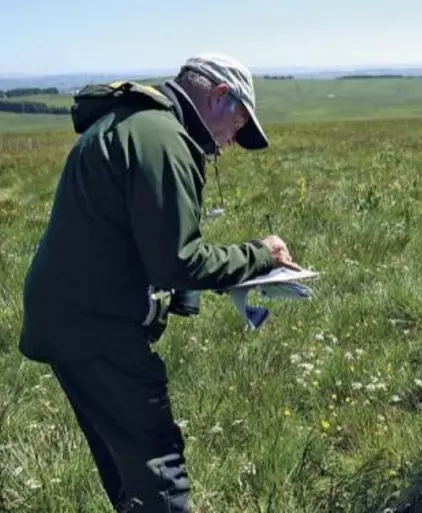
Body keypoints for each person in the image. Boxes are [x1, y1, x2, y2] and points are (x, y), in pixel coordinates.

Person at [18, 52, 300, 512]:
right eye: (239, 125)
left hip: (70, 319)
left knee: (124, 462)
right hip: (97, 328)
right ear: (220, 96)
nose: (232, 142)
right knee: (156, 462)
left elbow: (151, 248)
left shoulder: (143, 125)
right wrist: (260, 255)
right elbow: (178, 262)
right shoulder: (162, 139)